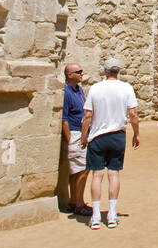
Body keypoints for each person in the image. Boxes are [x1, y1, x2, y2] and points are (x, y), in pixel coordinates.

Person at [80, 57, 141, 230]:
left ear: (105, 71)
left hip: (98, 136)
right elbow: (133, 114)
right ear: (118, 71)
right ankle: (112, 214)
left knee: (97, 175)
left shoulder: (95, 88)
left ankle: (96, 215)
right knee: (114, 174)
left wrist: (84, 137)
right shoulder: (126, 88)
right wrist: (136, 134)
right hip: (117, 136)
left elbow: (87, 116)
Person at [60, 63, 92, 216]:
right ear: (69, 75)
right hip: (75, 134)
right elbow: (64, 119)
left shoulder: (79, 90)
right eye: (78, 72)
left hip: (81, 133)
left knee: (77, 171)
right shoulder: (66, 92)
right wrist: (70, 139)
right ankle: (79, 204)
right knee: (83, 170)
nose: (82, 73)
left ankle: (74, 201)